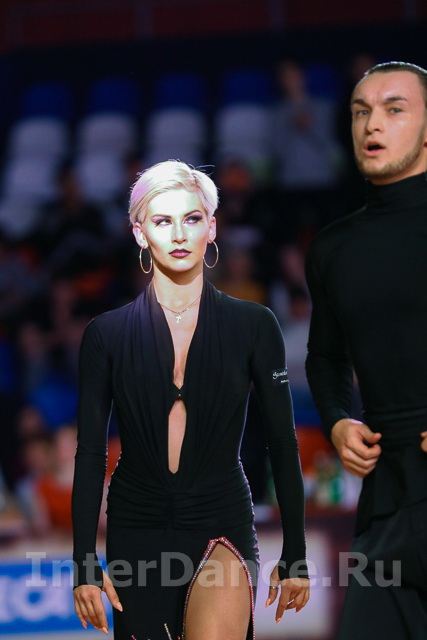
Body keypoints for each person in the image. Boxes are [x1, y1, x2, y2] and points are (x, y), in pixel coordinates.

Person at [72, 160, 309, 639]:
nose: (179, 234)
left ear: (211, 227)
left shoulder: (254, 325)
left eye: (192, 218)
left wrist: (296, 553)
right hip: (136, 526)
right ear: (140, 234)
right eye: (163, 221)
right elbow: (91, 452)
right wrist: (83, 562)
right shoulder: (106, 335)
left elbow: (282, 442)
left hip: (221, 517)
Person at [305, 61, 427, 639]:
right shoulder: (334, 248)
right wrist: (335, 420)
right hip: (387, 488)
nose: (372, 124)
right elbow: (325, 356)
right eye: (361, 112)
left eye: (394, 109)